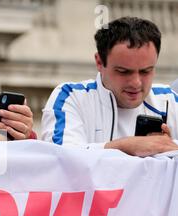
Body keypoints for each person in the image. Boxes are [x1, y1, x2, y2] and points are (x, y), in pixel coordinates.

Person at [41, 17, 178, 157]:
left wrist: (170, 155)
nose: (136, 82)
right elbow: (60, 158)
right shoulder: (70, 96)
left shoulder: (170, 100)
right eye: (123, 71)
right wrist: (126, 147)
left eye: (146, 71)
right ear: (99, 62)